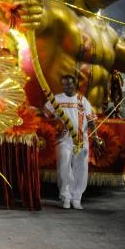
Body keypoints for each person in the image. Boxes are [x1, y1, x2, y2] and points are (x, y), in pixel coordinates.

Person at [44, 74, 98, 209]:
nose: (67, 86)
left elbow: (91, 121)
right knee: (64, 166)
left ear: (75, 84)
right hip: (63, 140)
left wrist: (96, 137)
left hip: (81, 140)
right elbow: (44, 114)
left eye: (69, 84)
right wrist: (55, 122)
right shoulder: (56, 99)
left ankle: (77, 197)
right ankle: (66, 196)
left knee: (81, 168)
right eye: (64, 84)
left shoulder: (83, 100)